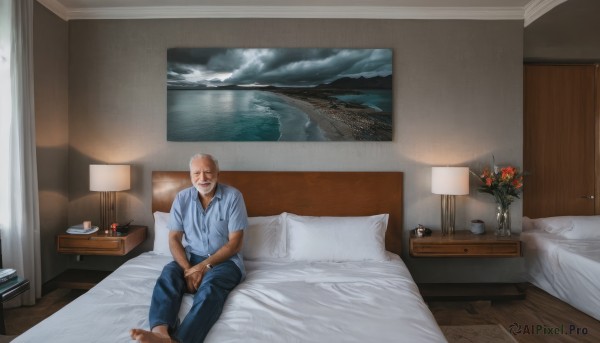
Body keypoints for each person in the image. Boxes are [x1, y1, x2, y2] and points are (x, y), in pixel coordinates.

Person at [131, 153, 248, 343]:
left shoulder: (233, 197)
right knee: (168, 274)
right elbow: (174, 238)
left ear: (218, 173)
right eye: (197, 173)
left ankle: (180, 340)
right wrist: (188, 269)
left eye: (208, 172)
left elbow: (235, 243)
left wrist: (203, 267)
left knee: (210, 288)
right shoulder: (182, 198)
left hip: (225, 262)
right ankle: (161, 333)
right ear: (190, 175)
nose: (202, 178)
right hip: (191, 257)